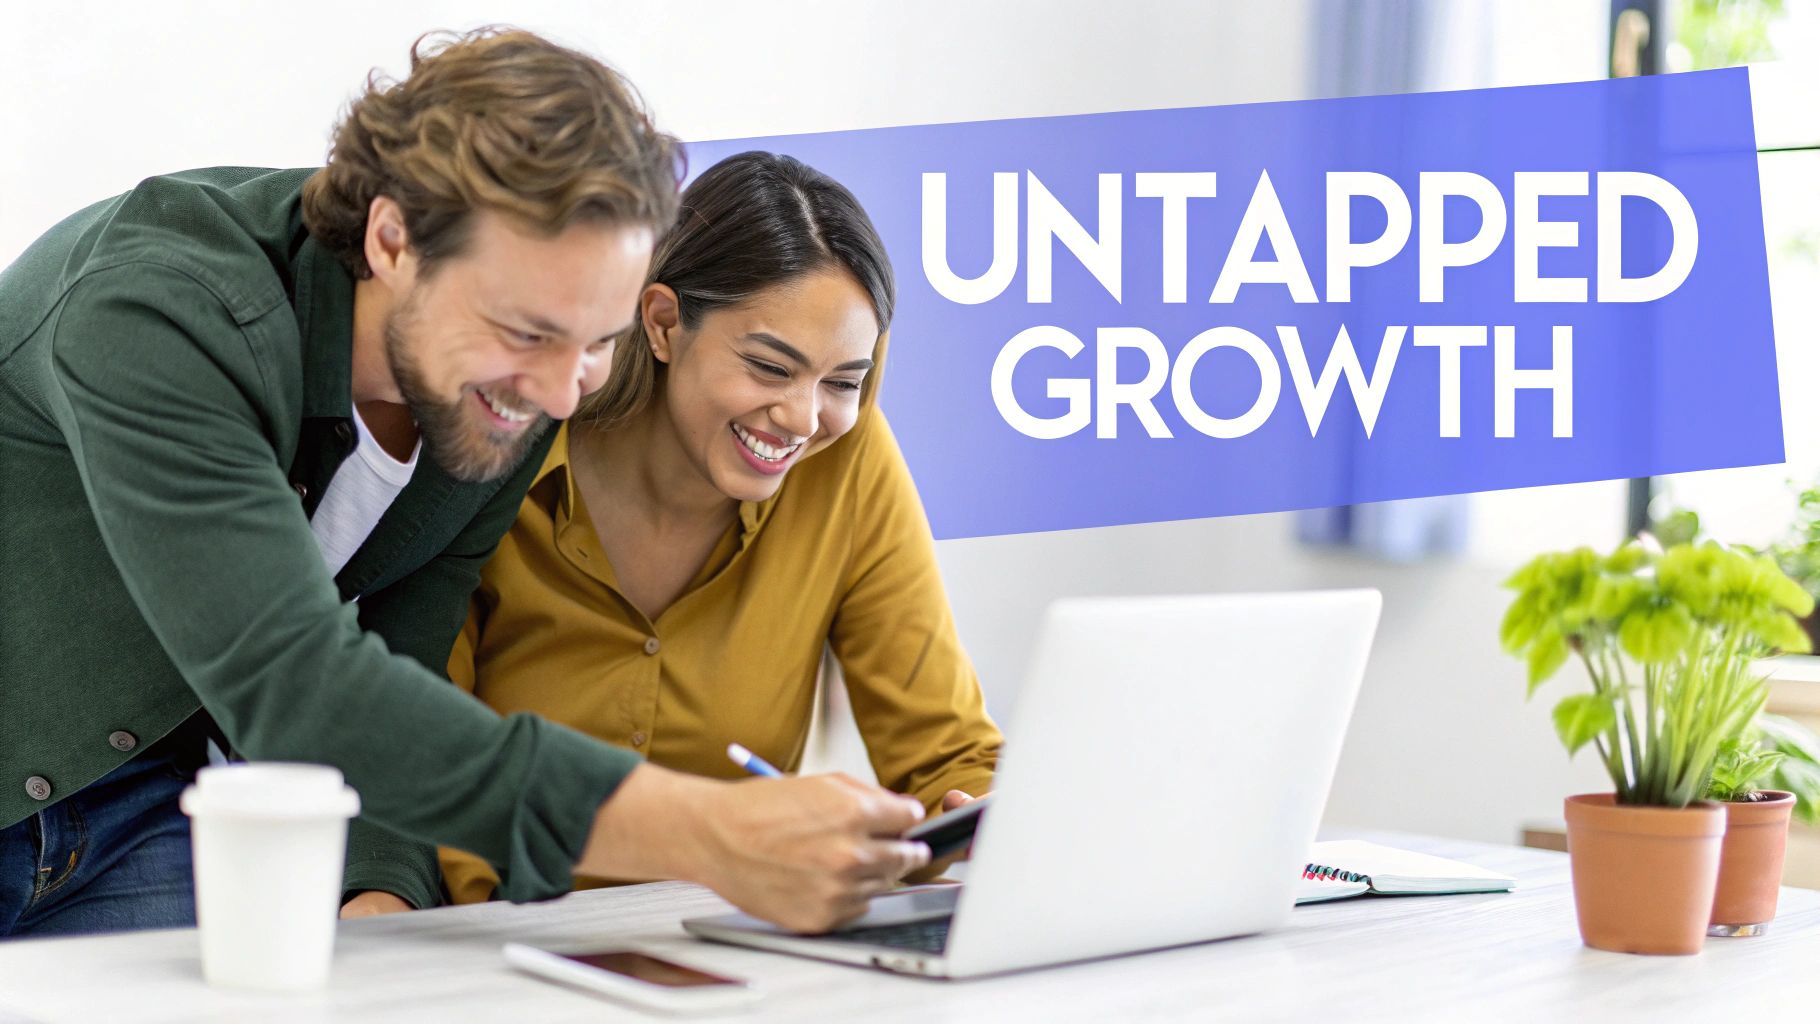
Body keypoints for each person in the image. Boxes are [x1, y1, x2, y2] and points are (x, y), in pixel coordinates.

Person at [0, 29, 927, 940]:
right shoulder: (165, 309)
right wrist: (710, 831)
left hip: (149, 812)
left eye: (598, 341)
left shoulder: (502, 392)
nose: (563, 391)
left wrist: (382, 887)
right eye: (528, 331)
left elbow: (403, 669)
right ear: (394, 238)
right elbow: (300, 684)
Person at [340, 151, 1002, 911]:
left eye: (843, 383)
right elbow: (410, 747)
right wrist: (382, 926)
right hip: (491, 943)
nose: (802, 417)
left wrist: (987, 830)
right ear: (662, 323)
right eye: (768, 366)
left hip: (726, 944)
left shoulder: (848, 462)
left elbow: (946, 753)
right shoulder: (508, 439)